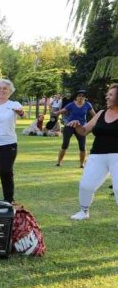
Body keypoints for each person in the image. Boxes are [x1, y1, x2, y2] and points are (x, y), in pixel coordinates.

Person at [68, 84, 118, 220]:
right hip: (97, 155)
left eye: (111, 95)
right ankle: (84, 211)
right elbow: (84, 131)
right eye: (108, 94)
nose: (107, 97)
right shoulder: (101, 113)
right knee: (86, 185)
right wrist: (77, 126)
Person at [54, 90, 94, 168]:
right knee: (65, 145)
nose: (81, 97)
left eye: (83, 96)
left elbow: (94, 115)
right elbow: (62, 111)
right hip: (69, 126)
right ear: (76, 97)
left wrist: (91, 125)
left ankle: (82, 164)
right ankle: (59, 162)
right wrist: (55, 113)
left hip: (81, 127)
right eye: (79, 95)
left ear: (85, 98)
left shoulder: (87, 105)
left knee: (82, 147)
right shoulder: (71, 105)